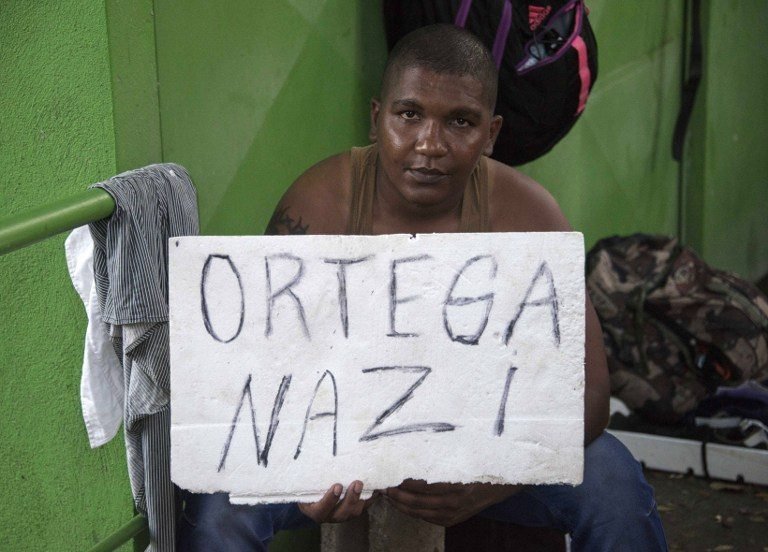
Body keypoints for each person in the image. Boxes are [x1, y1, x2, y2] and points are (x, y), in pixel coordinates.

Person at [177, 24, 667, 551]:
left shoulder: (527, 215)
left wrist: (489, 483)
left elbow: (591, 399)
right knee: (217, 513)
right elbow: (253, 381)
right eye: (409, 115)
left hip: (485, 451)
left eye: (460, 121)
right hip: (335, 450)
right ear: (376, 119)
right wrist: (298, 479)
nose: (429, 144)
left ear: (491, 133)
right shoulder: (322, 202)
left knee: (615, 488)